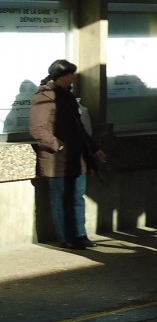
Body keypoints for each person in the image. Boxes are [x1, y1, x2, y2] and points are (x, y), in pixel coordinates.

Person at [29, 59, 105, 249]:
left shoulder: (68, 96)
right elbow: (37, 129)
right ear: (62, 76)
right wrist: (58, 145)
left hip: (77, 158)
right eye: (72, 73)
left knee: (77, 198)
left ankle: (80, 235)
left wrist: (94, 148)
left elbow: (79, 127)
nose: (75, 76)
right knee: (61, 200)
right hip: (57, 160)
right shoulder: (45, 96)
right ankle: (66, 238)